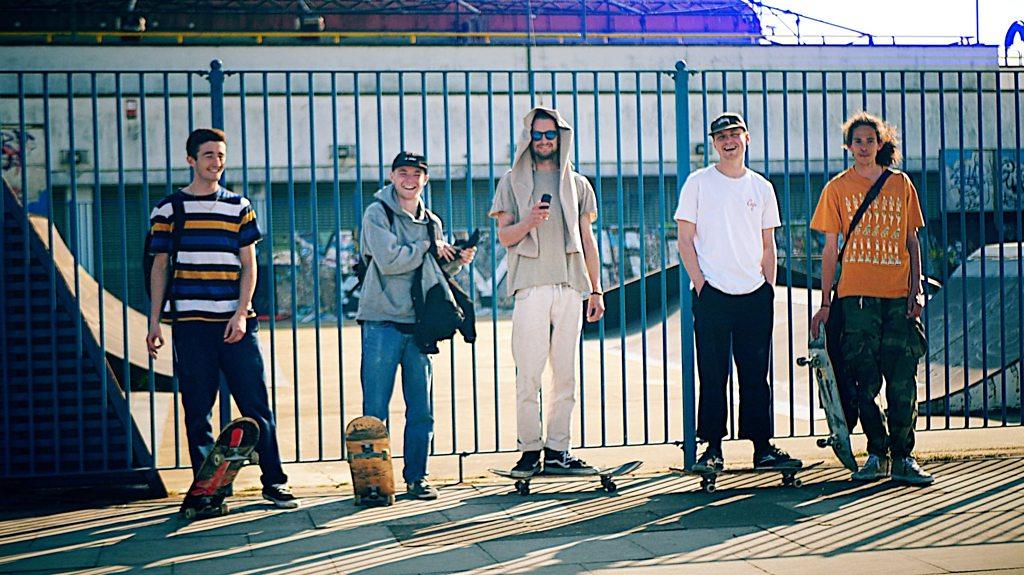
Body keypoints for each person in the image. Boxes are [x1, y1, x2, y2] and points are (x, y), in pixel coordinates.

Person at [146, 128, 298, 509]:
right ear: (191, 160)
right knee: (197, 409)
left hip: (236, 324)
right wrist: (154, 323)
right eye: (209, 155)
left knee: (257, 405)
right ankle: (208, 490)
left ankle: (274, 481)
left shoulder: (239, 207)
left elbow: (249, 265)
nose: (217, 161)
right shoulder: (169, 209)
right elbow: (159, 267)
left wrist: (241, 313)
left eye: (221, 155)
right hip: (191, 325)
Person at [809, 111, 932, 485]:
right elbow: (830, 250)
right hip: (856, 297)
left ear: (881, 144)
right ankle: (876, 453)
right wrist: (826, 301)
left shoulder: (900, 184)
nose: (863, 147)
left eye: (870, 140)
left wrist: (918, 289)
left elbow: (912, 242)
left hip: (897, 295)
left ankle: (904, 457)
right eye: (857, 141)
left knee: (902, 378)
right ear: (848, 147)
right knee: (863, 379)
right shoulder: (837, 189)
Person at [675, 112, 801, 473]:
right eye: (721, 136)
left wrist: (767, 287)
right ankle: (712, 448)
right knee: (713, 374)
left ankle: (762, 447)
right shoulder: (698, 183)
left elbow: (768, 243)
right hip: (713, 292)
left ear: (747, 138)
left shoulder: (761, 188)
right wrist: (702, 285)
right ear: (713, 144)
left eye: (734, 133)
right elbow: (685, 240)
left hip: (753, 293)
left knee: (755, 373)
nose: (728, 141)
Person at [488, 106, 605, 478]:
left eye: (549, 135)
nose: (543, 141)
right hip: (531, 287)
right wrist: (529, 221)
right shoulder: (511, 182)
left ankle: (558, 449)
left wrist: (596, 290)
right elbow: (505, 237)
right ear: (528, 138)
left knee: (566, 375)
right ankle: (528, 451)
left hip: (571, 287)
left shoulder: (578, 184)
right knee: (529, 374)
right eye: (537, 135)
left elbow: (588, 239)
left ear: (561, 138)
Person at [356, 151, 475, 500]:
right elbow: (390, 261)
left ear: (425, 179)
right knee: (376, 409)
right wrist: (427, 247)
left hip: (418, 325)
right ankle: (373, 481)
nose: (410, 179)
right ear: (392, 176)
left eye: (417, 174)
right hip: (381, 321)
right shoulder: (377, 213)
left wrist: (457, 260)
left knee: (421, 409)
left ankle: (417, 477)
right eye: (403, 172)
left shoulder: (431, 222)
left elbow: (432, 274)